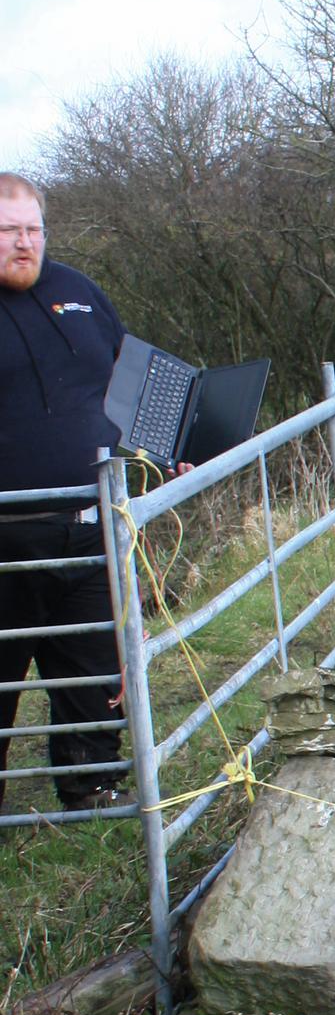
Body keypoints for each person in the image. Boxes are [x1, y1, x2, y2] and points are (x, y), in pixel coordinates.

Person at [0, 174, 126, 809]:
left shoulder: (79, 291)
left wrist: (168, 449)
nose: (24, 244)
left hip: (88, 528)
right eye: (7, 232)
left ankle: (93, 792)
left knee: (91, 672)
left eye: (32, 230)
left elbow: (130, 380)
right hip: (4, 542)